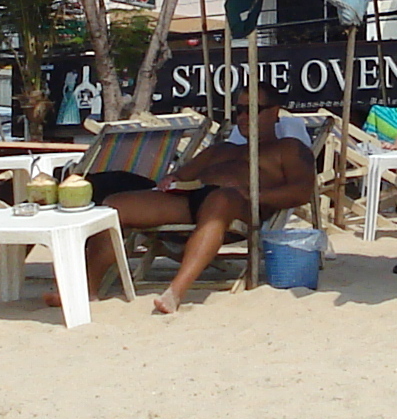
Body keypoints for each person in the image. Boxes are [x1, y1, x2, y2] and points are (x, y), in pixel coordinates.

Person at [84, 98, 316, 316]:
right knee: (115, 205)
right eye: (239, 111)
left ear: (274, 112)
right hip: (193, 199)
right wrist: (172, 180)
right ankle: (88, 292)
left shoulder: (289, 148)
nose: (244, 116)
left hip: (244, 204)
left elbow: (302, 191)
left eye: (253, 109)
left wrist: (256, 195)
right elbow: (180, 174)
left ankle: (175, 292)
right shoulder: (221, 149)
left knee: (220, 199)